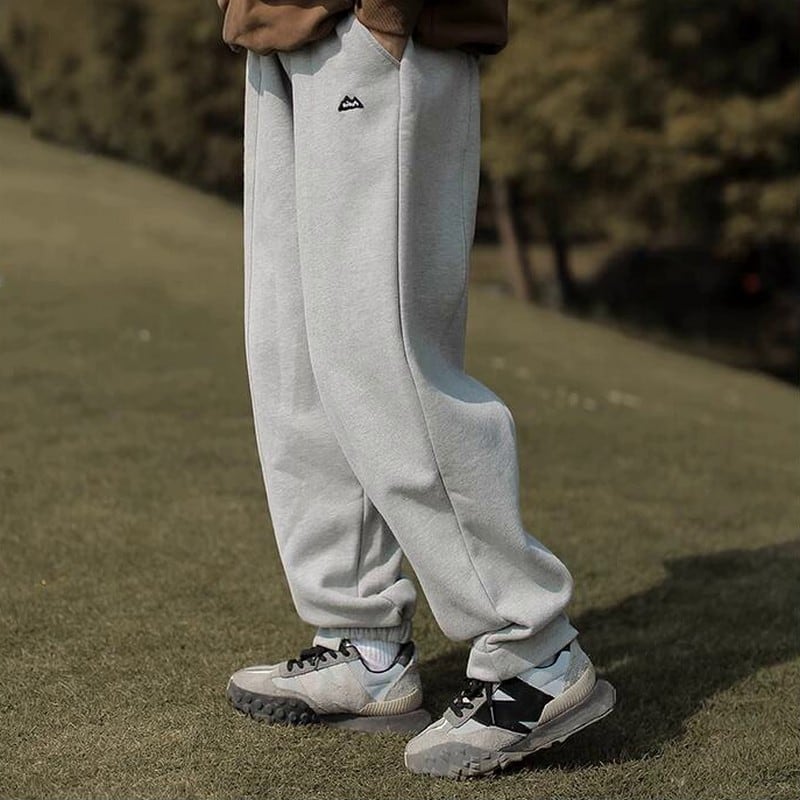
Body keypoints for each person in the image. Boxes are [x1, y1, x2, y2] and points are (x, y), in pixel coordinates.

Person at [218, 0, 615, 779]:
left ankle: (534, 652)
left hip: (373, 30)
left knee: (382, 353)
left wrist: (387, 19)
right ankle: (361, 640)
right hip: (277, 33)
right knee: (296, 357)